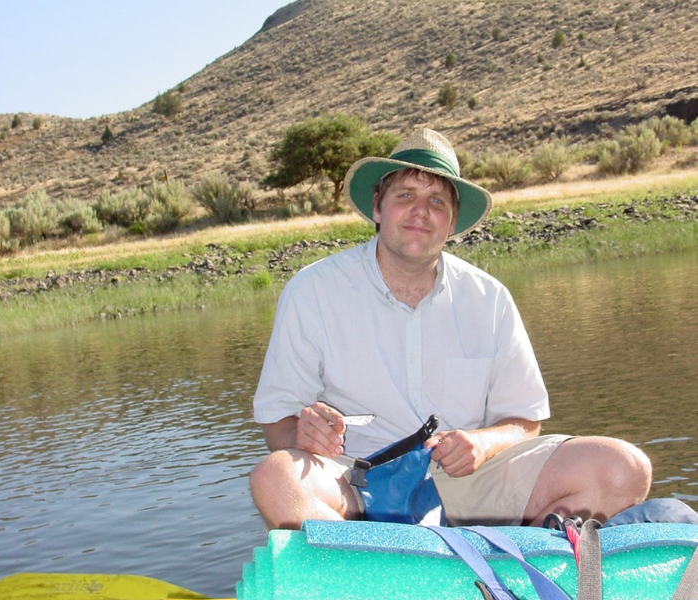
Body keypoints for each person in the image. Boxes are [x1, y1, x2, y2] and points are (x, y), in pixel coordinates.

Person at [249, 128, 652, 531]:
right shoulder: (312, 291)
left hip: (471, 481)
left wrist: (483, 443)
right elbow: (277, 423)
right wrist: (305, 433)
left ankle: (516, 562)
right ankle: (389, 570)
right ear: (377, 207)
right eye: (405, 195)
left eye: (437, 201)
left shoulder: (489, 298)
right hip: (353, 483)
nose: (420, 210)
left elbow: (525, 421)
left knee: (624, 468)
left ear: (453, 221)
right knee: (276, 479)